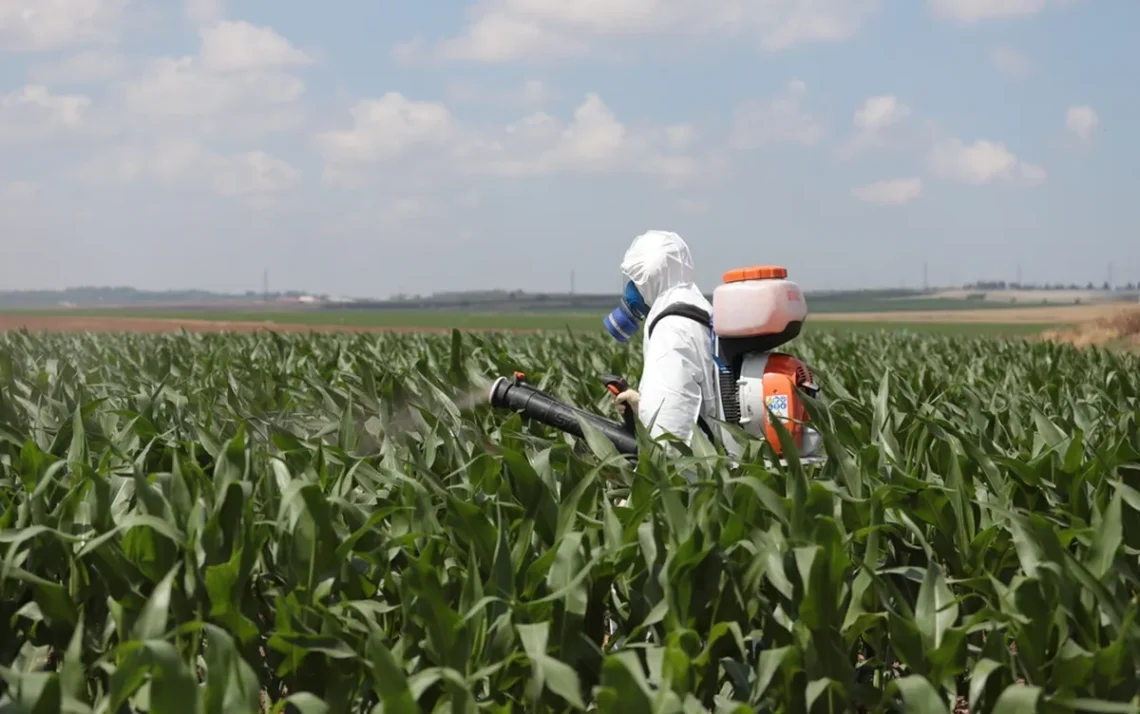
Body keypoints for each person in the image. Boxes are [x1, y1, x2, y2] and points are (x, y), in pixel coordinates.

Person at [603, 229, 721, 447]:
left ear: (650, 278)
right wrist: (641, 406)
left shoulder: (672, 328)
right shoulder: (695, 308)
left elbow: (668, 437)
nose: (630, 289)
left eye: (635, 279)